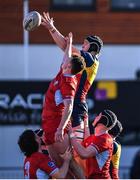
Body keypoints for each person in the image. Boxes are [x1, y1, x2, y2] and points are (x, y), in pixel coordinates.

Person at [41, 12, 103, 141]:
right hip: (79, 105)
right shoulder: (89, 61)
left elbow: (65, 46)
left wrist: (52, 29)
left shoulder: (90, 58)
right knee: (76, 147)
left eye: (85, 44)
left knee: (76, 150)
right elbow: (66, 49)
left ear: (93, 47)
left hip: (77, 106)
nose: (82, 46)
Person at [41, 32, 85, 178]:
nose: (67, 59)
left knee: (69, 162)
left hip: (57, 125)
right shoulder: (64, 71)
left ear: (70, 66)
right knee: (59, 165)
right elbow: (66, 55)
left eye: (69, 60)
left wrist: (60, 129)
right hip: (48, 124)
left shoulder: (69, 83)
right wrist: (69, 42)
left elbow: (69, 107)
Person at [68, 109, 117, 179]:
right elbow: (87, 141)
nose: (96, 117)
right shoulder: (96, 137)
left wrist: (71, 133)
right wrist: (85, 123)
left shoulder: (105, 139)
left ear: (103, 120)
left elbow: (84, 154)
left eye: (98, 116)